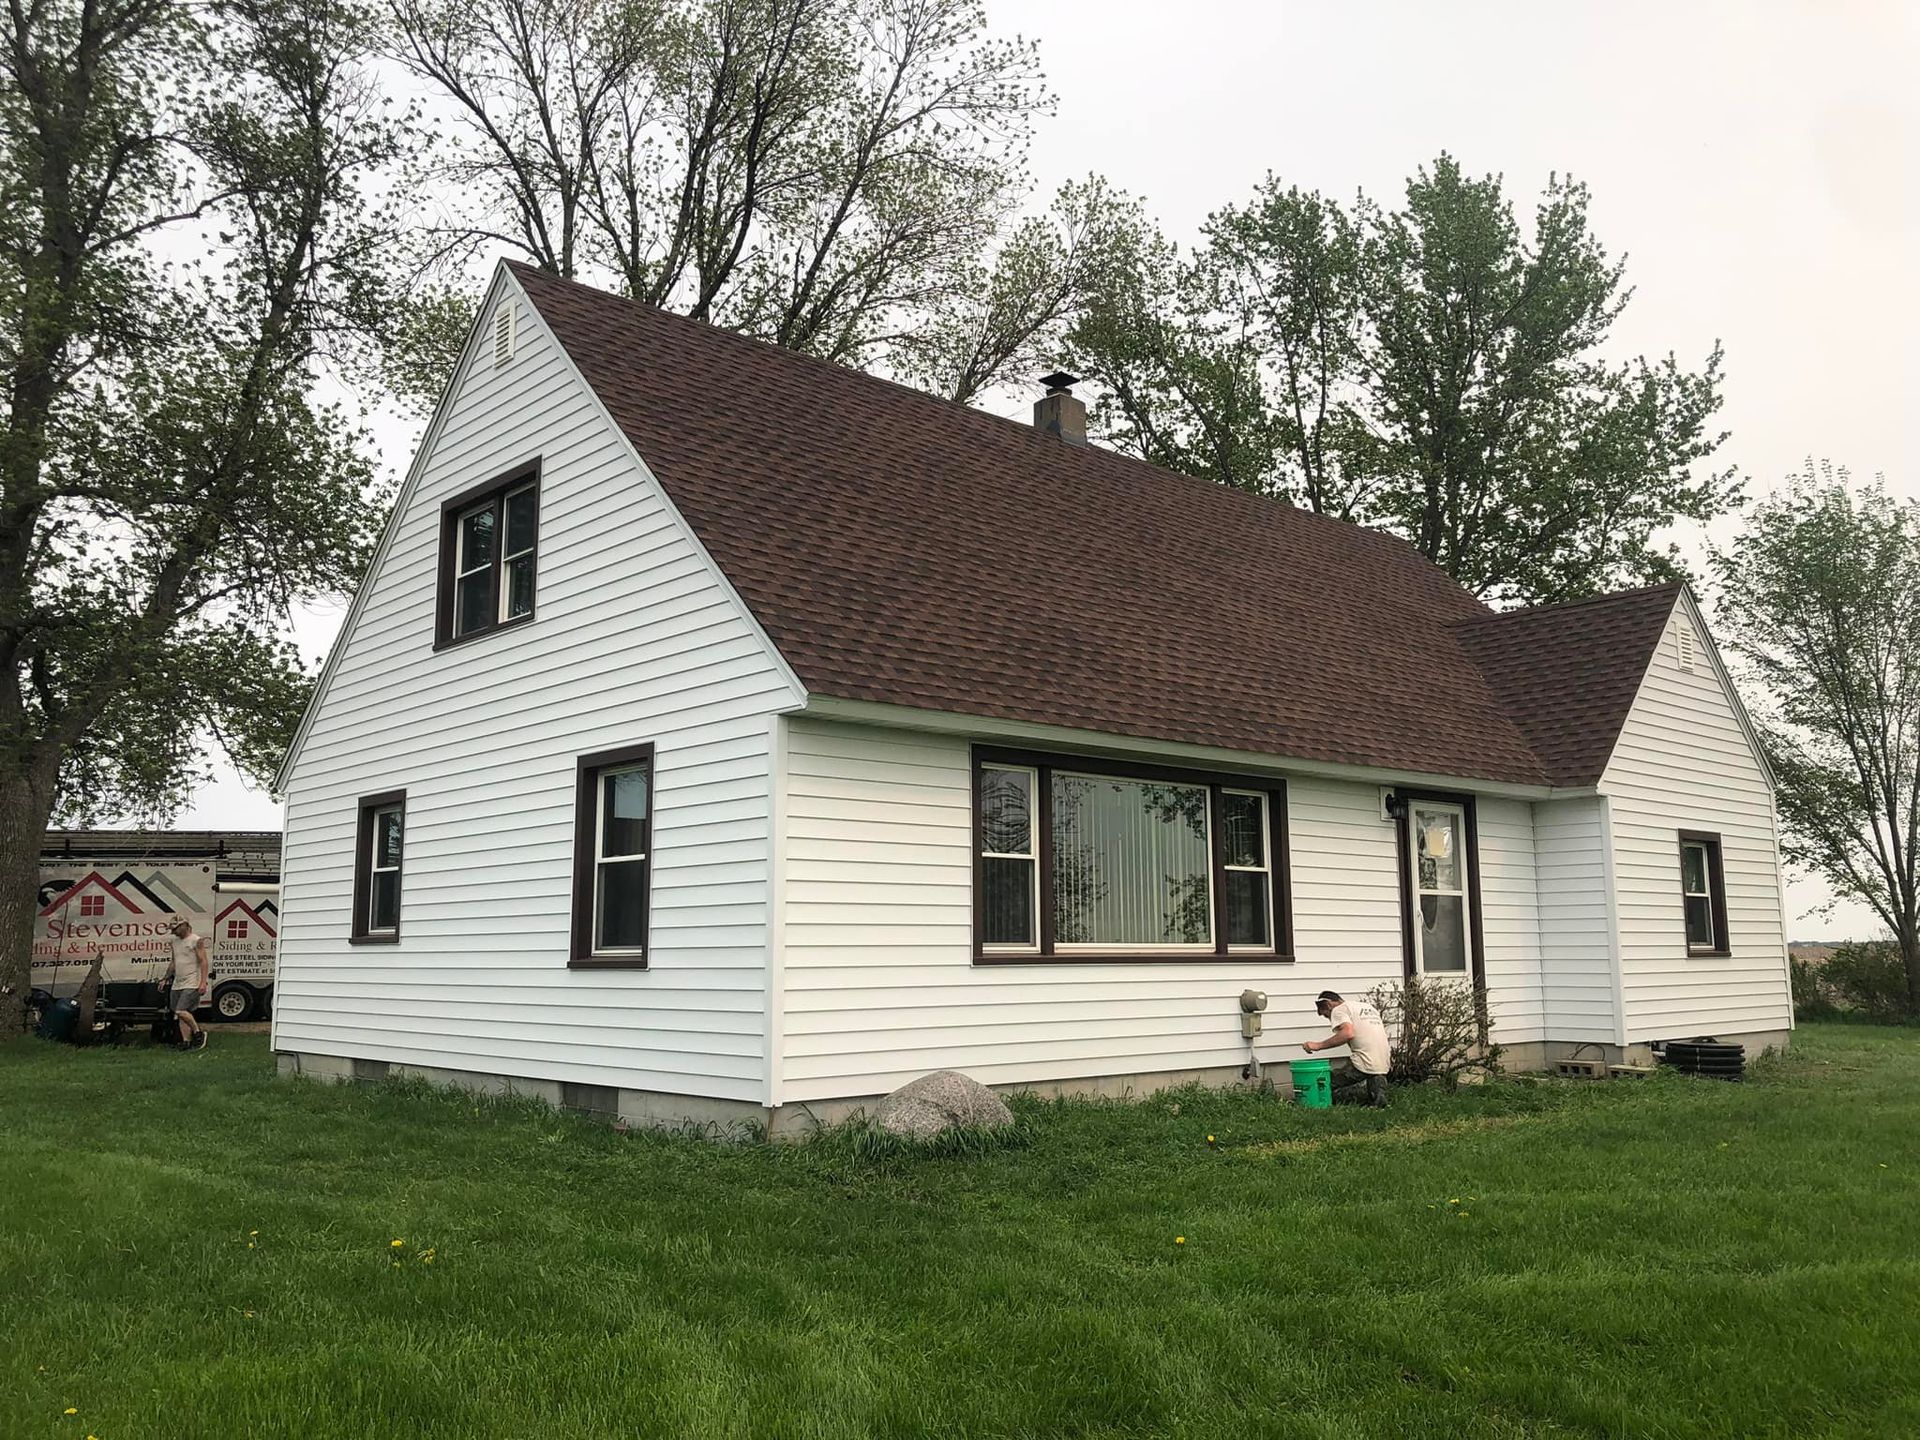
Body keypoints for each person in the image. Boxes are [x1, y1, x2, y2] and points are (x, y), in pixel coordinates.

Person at [1302, 989, 1390, 1107]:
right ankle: (1378, 1102)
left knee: (1326, 1083)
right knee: (1376, 1092)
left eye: (1326, 1015)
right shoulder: (1366, 1007)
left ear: (1328, 1005)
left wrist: (1318, 1046)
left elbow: (1347, 1033)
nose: (1329, 1019)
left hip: (1362, 1061)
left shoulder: (1339, 1010)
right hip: (1383, 1060)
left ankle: (1316, 1104)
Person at [165, 917, 210, 1050]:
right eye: (172, 929)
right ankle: (186, 1041)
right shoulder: (174, 941)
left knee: (181, 1010)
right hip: (178, 981)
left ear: (184, 926)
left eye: (176, 928)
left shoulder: (196, 940)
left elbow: (203, 961)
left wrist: (203, 982)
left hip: (192, 981)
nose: (174, 932)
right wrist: (165, 977)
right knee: (179, 1013)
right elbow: (174, 961)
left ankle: (198, 1033)